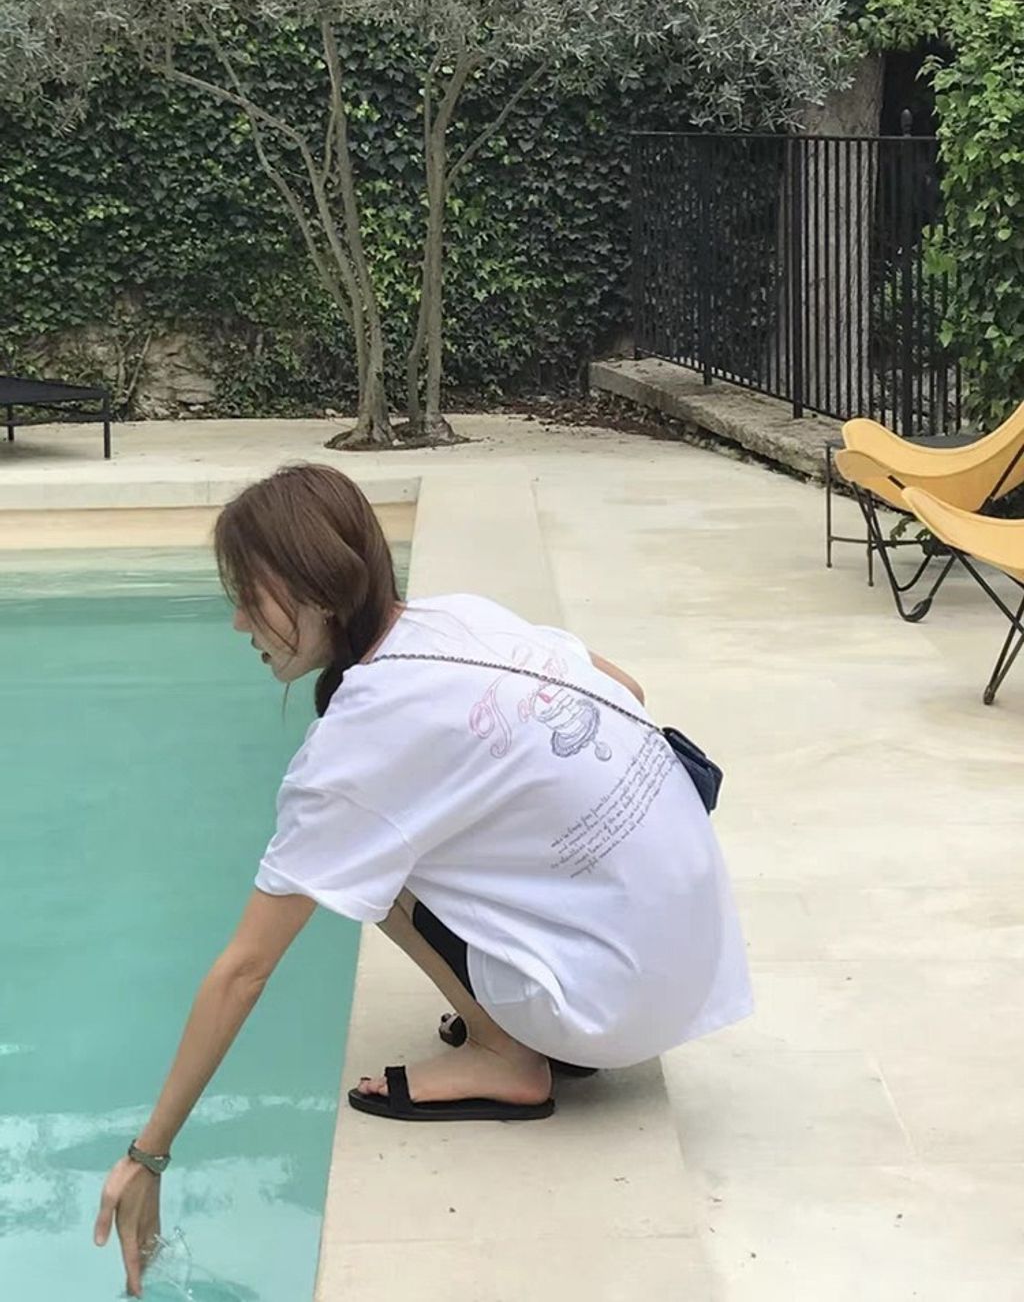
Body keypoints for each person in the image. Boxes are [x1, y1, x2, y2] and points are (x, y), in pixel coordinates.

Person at [95, 462, 752, 1296]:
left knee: (364, 855)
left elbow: (246, 969)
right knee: (407, 828)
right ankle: (531, 1004)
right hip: (696, 947)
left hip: (622, 1005)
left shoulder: (356, 750)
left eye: (249, 597)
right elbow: (627, 688)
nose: (237, 621)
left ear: (316, 591)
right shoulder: (458, 616)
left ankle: (508, 1056)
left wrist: (148, 1154)